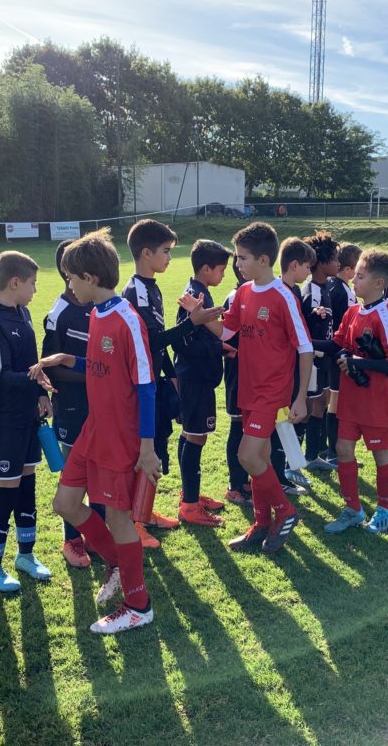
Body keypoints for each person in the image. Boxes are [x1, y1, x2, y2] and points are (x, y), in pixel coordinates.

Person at [43, 231, 158, 634]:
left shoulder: (128, 319)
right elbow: (102, 368)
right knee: (65, 503)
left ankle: (138, 605)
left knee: (118, 517)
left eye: (71, 277)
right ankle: (117, 563)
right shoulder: (97, 314)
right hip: (94, 430)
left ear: (90, 278)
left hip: (120, 437)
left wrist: (147, 448)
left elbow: (146, 385)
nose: (69, 285)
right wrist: (68, 359)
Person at [123, 219, 221, 542]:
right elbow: (150, 341)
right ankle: (134, 524)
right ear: (146, 253)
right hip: (138, 383)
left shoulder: (152, 287)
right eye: (165, 251)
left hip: (155, 381)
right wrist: (192, 322)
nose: (169, 258)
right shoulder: (135, 290)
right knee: (143, 451)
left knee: (158, 445)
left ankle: (145, 512)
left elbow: (158, 342)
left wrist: (171, 375)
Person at [220, 223, 312, 554]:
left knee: (247, 455)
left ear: (263, 259)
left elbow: (305, 348)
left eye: (242, 258)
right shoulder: (243, 293)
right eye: (236, 257)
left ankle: (285, 512)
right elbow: (226, 333)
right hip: (248, 388)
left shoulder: (283, 296)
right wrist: (197, 317)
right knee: (258, 458)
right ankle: (261, 524)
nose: (238, 264)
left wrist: (300, 398)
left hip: (272, 391)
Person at [0, 251, 53, 593]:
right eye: (33, 283)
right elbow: (2, 375)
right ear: (15, 282)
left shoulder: (24, 313)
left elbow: (30, 362)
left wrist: (41, 394)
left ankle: (26, 555)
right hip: (2, 419)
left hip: (27, 415)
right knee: (7, 491)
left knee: (27, 484)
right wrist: (40, 380)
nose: (36, 289)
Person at [312, 249, 388, 534]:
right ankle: (353, 509)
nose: (354, 279)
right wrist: (302, 341)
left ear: (379, 283)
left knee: (380, 454)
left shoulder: (384, 315)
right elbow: (337, 344)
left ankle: (385, 508)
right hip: (351, 398)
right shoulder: (353, 311)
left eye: (361, 276)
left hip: (376, 401)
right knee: (343, 449)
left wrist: (357, 362)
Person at [42, 238, 104, 565]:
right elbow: (50, 366)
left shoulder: (99, 306)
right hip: (71, 406)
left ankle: (97, 535)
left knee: (100, 473)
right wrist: (97, 376)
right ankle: (72, 540)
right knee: (73, 476)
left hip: (101, 405)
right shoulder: (59, 313)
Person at [173, 239, 230, 526]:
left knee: (191, 434)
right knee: (196, 436)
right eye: (221, 269)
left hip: (197, 378)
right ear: (206, 268)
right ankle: (190, 505)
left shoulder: (200, 292)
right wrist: (219, 348)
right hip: (194, 379)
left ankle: (190, 494)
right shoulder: (195, 297)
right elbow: (182, 344)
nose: (223, 275)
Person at [275, 237, 316, 494]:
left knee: (286, 422)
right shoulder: (281, 292)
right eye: (307, 267)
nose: (309, 273)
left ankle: (284, 473)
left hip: (292, 368)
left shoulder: (294, 291)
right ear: (294, 265)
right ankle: (280, 478)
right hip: (282, 371)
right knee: (282, 423)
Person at [300, 232, 340, 472]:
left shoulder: (325, 287)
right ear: (322, 262)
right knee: (307, 408)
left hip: (324, 357)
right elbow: (304, 328)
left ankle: (312, 455)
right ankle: (297, 460)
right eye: (334, 258)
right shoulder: (312, 291)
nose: (338, 263)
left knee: (321, 403)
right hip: (313, 359)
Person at [322, 242, 361, 464]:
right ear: (348, 270)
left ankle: (326, 450)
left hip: (327, 352)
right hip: (338, 353)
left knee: (329, 401)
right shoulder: (345, 292)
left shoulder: (328, 283)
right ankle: (333, 453)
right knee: (336, 403)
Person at [221, 256, 251, 507]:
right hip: (237, 373)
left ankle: (244, 480)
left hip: (254, 375)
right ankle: (235, 485)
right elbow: (226, 338)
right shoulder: (235, 297)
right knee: (237, 425)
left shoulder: (254, 293)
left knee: (249, 428)